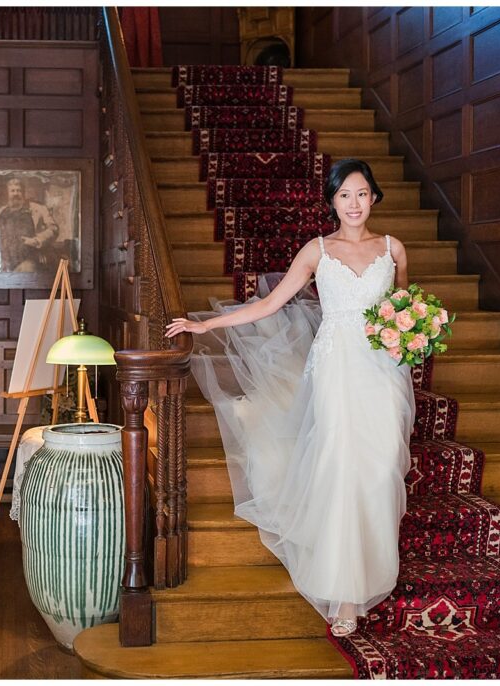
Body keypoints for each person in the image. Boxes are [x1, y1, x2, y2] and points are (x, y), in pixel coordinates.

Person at [165, 159, 416, 637]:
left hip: (383, 372)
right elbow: (267, 304)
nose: (354, 203)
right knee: (342, 467)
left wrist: (413, 334)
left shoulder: (394, 249)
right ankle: (344, 594)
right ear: (332, 202)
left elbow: (403, 308)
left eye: (362, 194)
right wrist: (206, 325)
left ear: (375, 197)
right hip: (336, 368)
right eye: (345, 195)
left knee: (381, 468)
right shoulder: (317, 251)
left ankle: (371, 569)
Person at [0, 177, 59, 272]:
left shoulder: (38, 209)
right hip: (5, 261)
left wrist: (37, 240)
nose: (15, 194)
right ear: (8, 193)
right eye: (12, 191)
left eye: (18, 191)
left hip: (30, 258)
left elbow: (53, 229)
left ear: (23, 193)